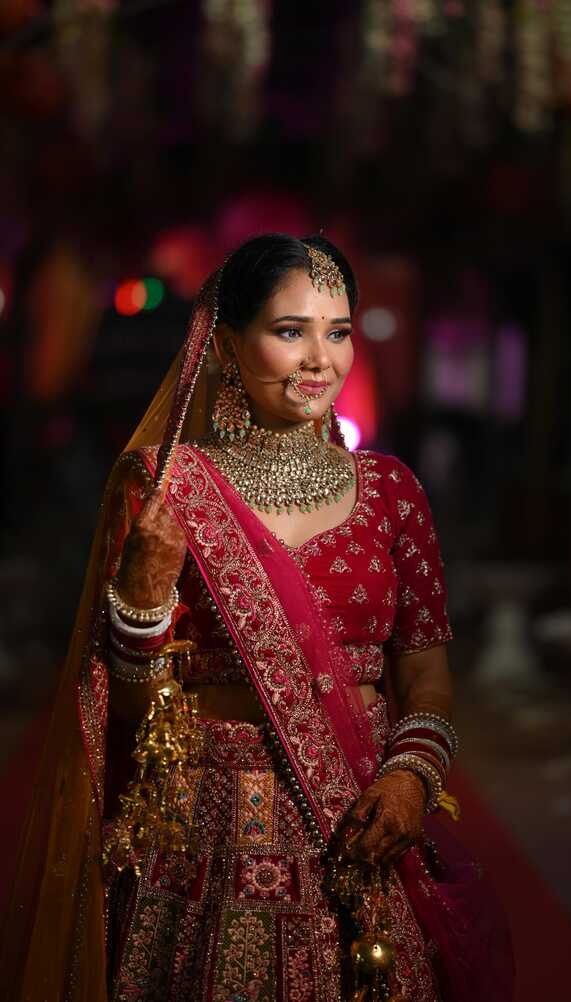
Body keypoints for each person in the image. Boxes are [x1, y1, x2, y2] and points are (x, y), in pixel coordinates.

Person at [2, 234, 514, 1001]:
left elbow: (426, 677)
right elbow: (126, 717)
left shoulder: (391, 491)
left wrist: (410, 778)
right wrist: (141, 605)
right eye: (289, 331)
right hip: (205, 841)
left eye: (336, 332)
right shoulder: (165, 487)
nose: (320, 359)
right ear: (227, 344)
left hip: (360, 822)